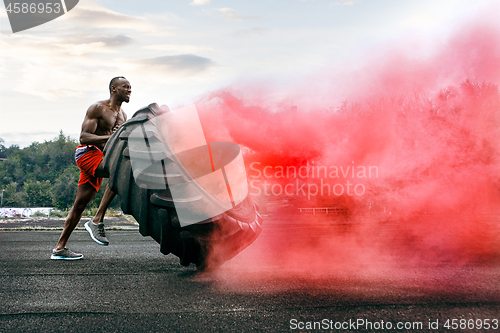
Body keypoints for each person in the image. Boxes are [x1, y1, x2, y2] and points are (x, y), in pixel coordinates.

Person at [51, 77, 131, 260]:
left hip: (100, 157)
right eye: (125, 87)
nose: (129, 90)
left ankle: (59, 249)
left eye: (130, 88)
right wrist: (111, 138)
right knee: (120, 170)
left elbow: (112, 144)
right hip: (87, 153)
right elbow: (84, 138)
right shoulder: (98, 108)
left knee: (80, 205)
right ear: (113, 89)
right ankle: (97, 220)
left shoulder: (123, 116)